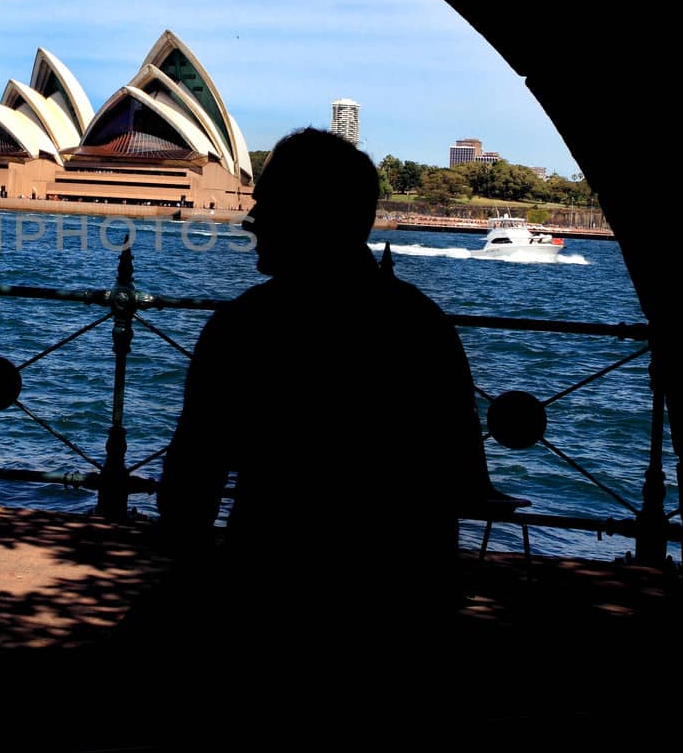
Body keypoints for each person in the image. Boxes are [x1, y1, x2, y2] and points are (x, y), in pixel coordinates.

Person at [155, 128, 500, 656]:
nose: (252, 221)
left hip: (269, 600)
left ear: (312, 215)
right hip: (405, 611)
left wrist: (195, 596)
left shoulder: (244, 328)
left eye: (268, 205)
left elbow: (189, 487)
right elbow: (467, 480)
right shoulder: (422, 326)